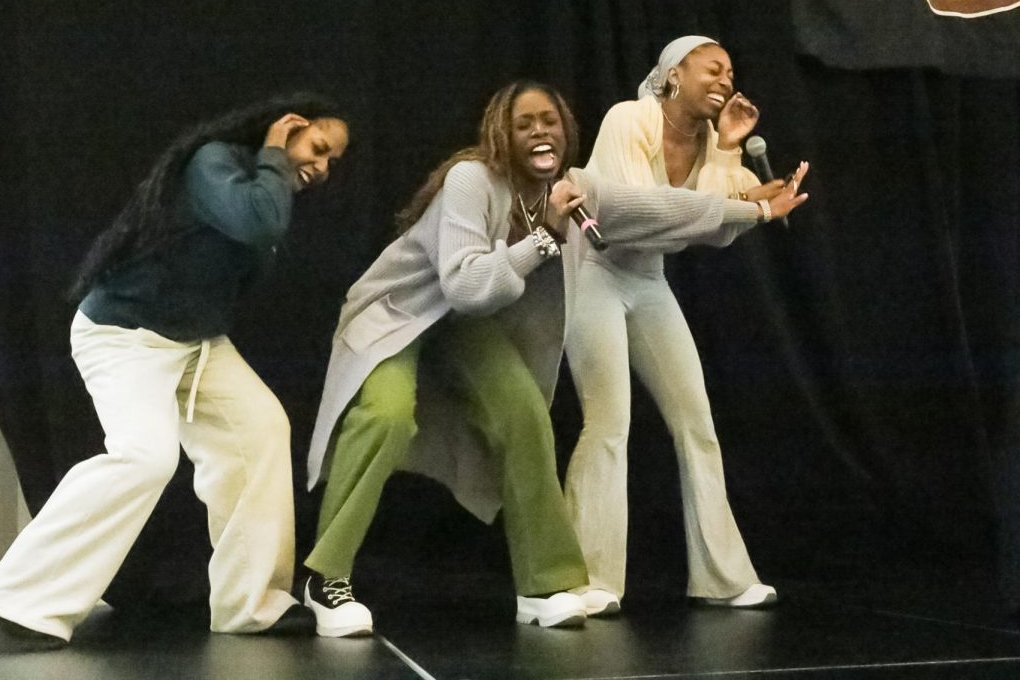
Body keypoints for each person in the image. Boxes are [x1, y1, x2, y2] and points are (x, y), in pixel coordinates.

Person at [300, 79, 806, 638]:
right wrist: (543, 237)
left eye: (551, 122)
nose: (541, 131)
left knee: (525, 416)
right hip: (400, 314)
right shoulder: (473, 180)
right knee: (388, 416)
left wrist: (749, 207)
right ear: (502, 135)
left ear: (566, 132)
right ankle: (327, 578)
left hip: (466, 326)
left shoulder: (576, 187)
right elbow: (464, 284)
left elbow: (660, 209)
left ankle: (544, 584)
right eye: (525, 124)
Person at [0, 92, 350, 646]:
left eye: (332, 163)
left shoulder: (260, 185)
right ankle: (22, 598)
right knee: (146, 457)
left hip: (193, 345)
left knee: (261, 429)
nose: (321, 168)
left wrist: (277, 162)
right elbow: (258, 223)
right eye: (318, 148)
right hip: (123, 336)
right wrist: (274, 153)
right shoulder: (214, 163)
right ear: (286, 127)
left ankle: (250, 604)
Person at [563, 35, 808, 609]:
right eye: (713, 69)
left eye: (731, 72)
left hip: (647, 279)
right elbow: (629, 214)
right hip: (594, 268)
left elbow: (713, 231)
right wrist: (752, 210)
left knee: (697, 422)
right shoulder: (628, 119)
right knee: (609, 422)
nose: (726, 81)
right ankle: (590, 579)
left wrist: (726, 153)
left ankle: (721, 578)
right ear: (673, 73)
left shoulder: (706, 142)